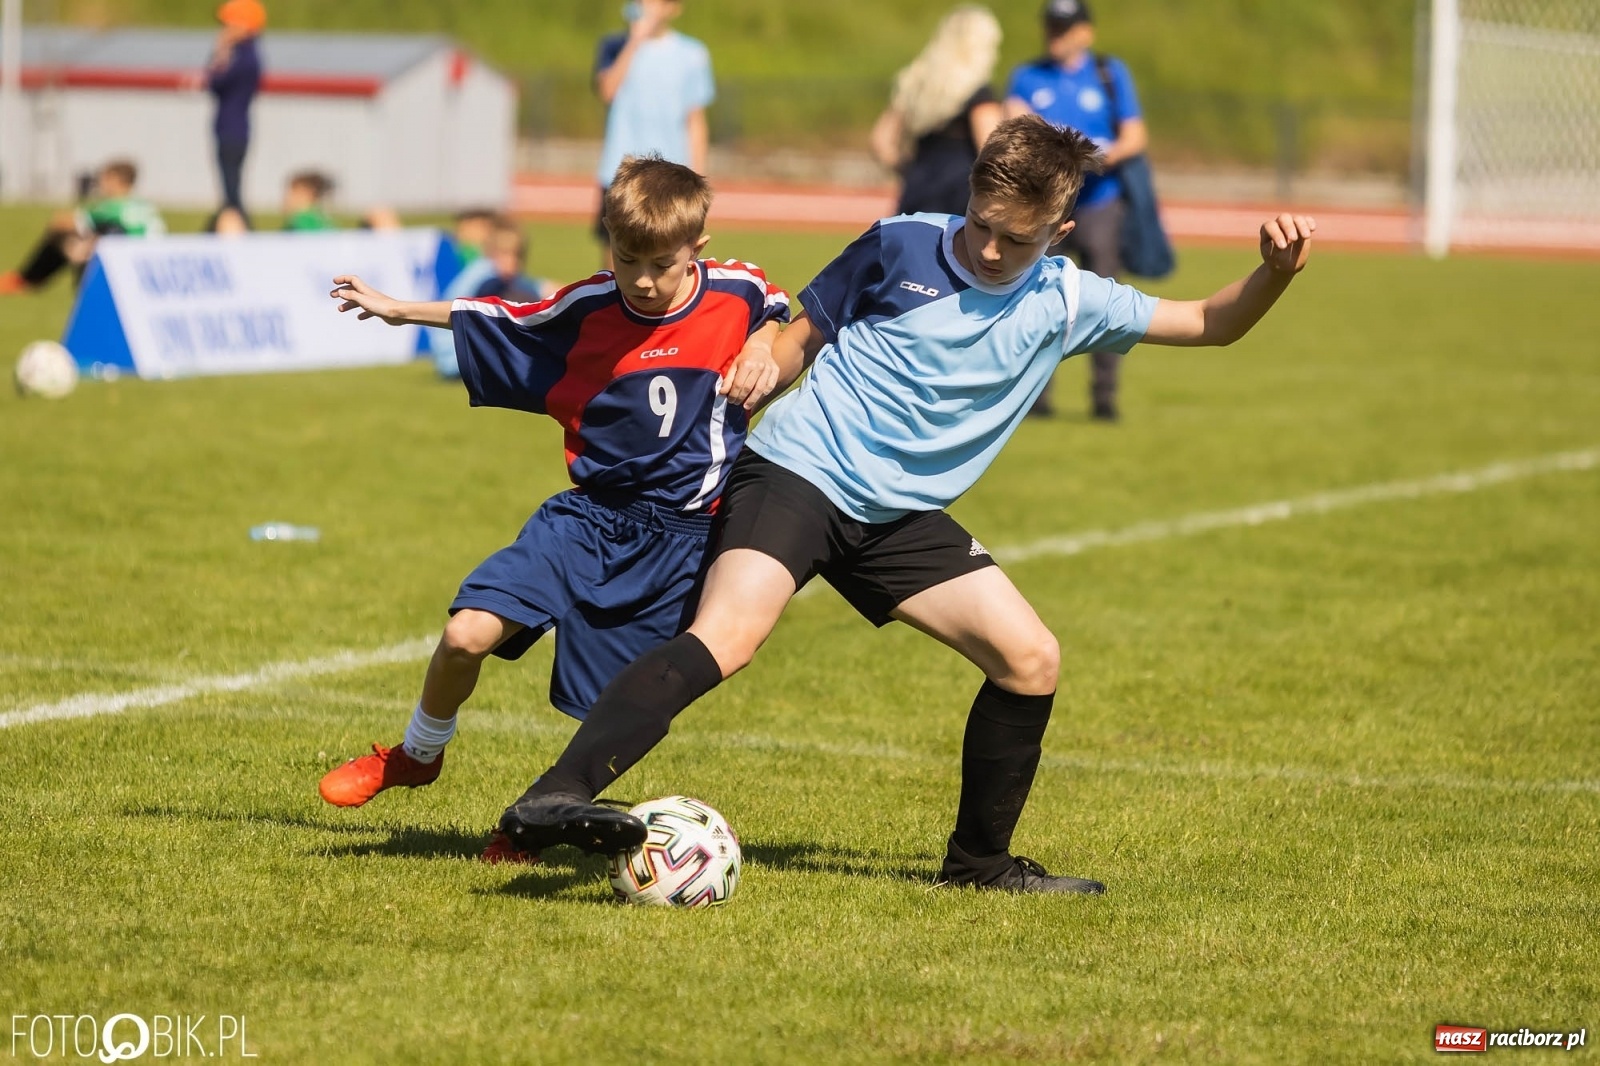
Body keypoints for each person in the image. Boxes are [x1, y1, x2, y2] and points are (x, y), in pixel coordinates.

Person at [494, 116, 1316, 892]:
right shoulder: (898, 244)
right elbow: (801, 335)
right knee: (729, 638)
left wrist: (1273, 276)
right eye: (981, 222)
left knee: (1031, 660)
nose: (990, 247)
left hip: (898, 516)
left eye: (1017, 238)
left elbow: (1211, 322)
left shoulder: (1069, 300)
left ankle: (979, 866)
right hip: (800, 472)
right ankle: (552, 798)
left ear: (1058, 233)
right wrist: (764, 366)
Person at [315, 157, 792, 865]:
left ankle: (534, 823)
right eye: (628, 260)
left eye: (662, 264)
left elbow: (781, 304)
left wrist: (760, 339)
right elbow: (503, 317)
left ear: (699, 248)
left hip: (683, 543)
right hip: (589, 518)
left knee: (614, 714)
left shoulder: (737, 289)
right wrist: (398, 308)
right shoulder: (589, 307)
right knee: (466, 633)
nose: (644, 280)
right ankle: (417, 753)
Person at [1006, 0, 1147, 421]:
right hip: (1045, 207)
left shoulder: (1108, 73)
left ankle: (1104, 397)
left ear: (1085, 32)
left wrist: (1095, 155)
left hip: (1100, 204)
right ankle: (1037, 397)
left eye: (1064, 28)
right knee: (1037, 300)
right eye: (1051, 26)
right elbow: (1013, 126)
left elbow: (1135, 136)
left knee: (1105, 301)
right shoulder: (1028, 76)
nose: (1056, 35)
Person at [592, 0, 714, 270]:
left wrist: (699, 174)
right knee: (617, 254)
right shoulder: (614, 45)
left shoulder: (693, 53)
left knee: (674, 252)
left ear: (672, 8)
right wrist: (634, 41)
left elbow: (695, 120)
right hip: (619, 167)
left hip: (672, 171)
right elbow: (607, 91)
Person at [869, 5, 1003, 217]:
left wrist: (910, 170)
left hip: (916, 192)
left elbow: (881, 141)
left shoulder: (915, 83)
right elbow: (992, 151)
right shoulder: (978, 92)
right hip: (959, 198)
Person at [0, 160, 165, 294]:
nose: (101, 184)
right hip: (148, 266)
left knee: (68, 239)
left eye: (104, 178)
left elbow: (64, 222)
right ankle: (28, 279)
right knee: (89, 238)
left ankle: (27, 280)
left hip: (122, 267)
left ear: (114, 179)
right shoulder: (145, 206)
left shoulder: (114, 206)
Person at [205, 0, 265, 222]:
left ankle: (239, 229)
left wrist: (220, 50)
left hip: (233, 130)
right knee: (230, 190)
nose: (223, 30)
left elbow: (216, 82)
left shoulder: (246, 58)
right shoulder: (244, 55)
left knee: (232, 193)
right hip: (230, 128)